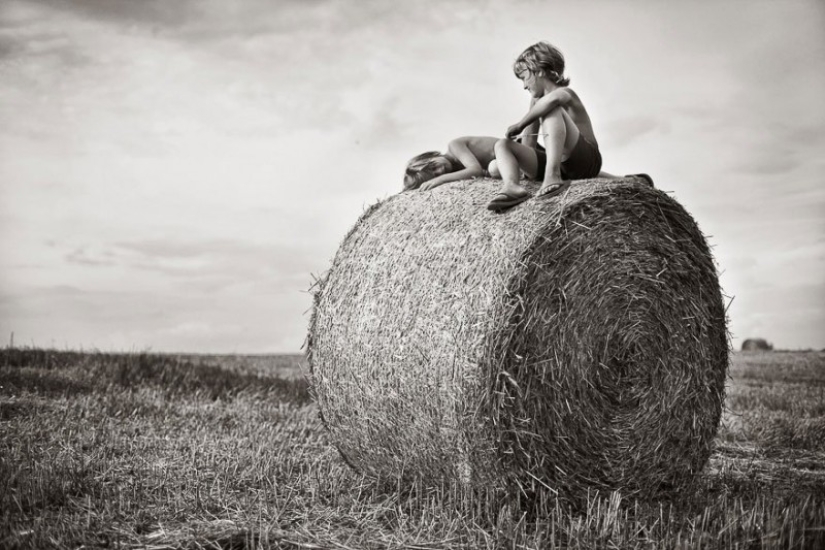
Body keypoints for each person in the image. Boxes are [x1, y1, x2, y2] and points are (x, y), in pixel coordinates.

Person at [488, 42, 607, 212]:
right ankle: (512, 186)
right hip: (561, 163)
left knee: (551, 109)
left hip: (585, 161)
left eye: (524, 77)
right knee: (502, 145)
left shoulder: (565, 93)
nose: (524, 86)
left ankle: (552, 175)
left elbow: (553, 100)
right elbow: (529, 143)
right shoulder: (536, 103)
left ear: (539, 70)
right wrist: (518, 162)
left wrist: (521, 124)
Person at [403, 135, 544, 191]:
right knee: (493, 169)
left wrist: (440, 180)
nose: (439, 171)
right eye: (435, 175)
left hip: (523, 156)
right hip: (520, 168)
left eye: (433, 166)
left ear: (431, 155)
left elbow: (475, 169)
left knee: (494, 167)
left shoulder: (454, 146)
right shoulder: (457, 173)